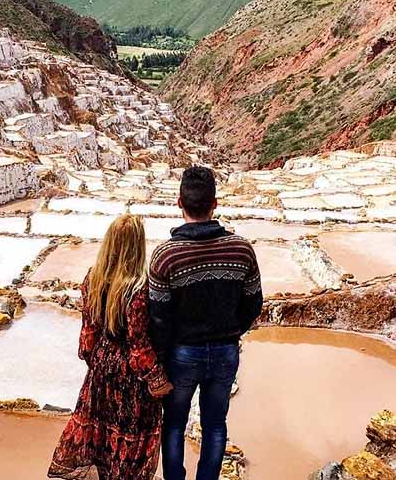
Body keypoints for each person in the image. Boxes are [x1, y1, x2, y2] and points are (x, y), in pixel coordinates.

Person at [149, 166, 263, 480]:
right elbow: (254, 303)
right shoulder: (241, 249)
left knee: (173, 424)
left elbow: (158, 316)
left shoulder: (166, 256)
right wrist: (231, 331)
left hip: (182, 353)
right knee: (215, 425)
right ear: (215, 204)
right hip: (226, 351)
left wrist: (161, 359)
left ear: (179, 203)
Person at [49, 214, 174, 480]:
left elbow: (87, 336)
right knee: (128, 442)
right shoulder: (139, 289)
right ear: (137, 246)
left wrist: (98, 362)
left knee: (102, 436)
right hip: (131, 380)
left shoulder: (92, 279)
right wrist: (157, 379)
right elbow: (138, 344)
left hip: (101, 370)